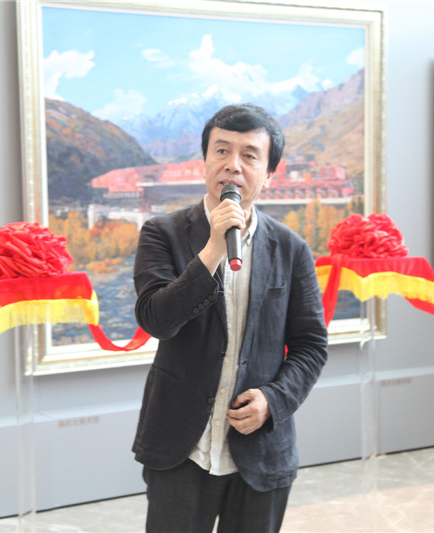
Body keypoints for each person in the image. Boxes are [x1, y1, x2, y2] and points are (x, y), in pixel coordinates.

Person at [132, 103, 329, 533]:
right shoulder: (161, 233)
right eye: (221, 150)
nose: (232, 165)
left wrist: (274, 400)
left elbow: (311, 345)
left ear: (269, 174)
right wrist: (213, 250)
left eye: (249, 155)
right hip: (180, 447)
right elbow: (156, 320)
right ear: (204, 161)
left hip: (260, 451)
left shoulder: (292, 249)